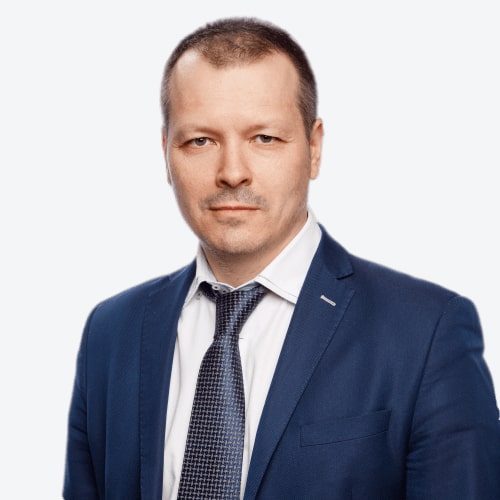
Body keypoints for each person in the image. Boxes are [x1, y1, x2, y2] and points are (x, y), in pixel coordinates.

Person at [63, 17, 500, 500]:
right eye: (201, 140)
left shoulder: (427, 333)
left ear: (314, 148)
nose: (232, 172)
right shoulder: (111, 333)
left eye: (264, 138)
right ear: (166, 152)